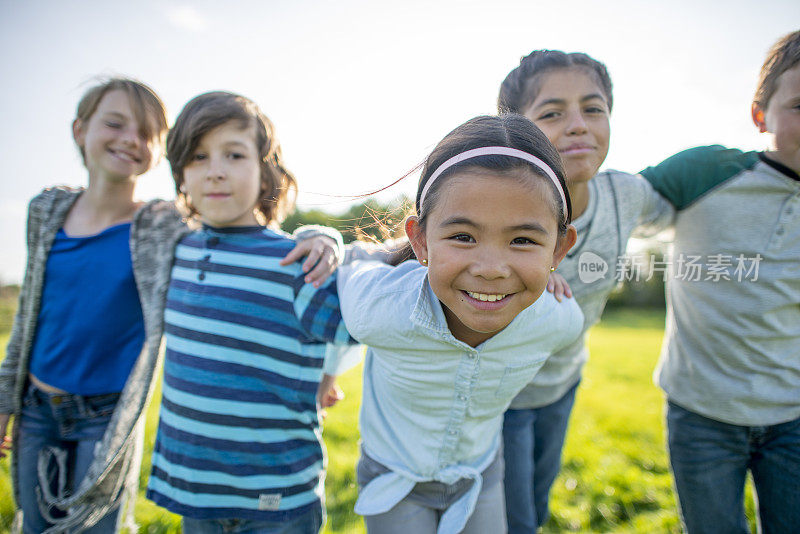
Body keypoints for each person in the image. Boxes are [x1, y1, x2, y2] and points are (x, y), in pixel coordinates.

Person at [0, 79, 341, 534]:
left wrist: (322, 234)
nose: (128, 139)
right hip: (37, 404)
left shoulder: (163, 228)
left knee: (91, 524)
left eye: (145, 132)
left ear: (160, 153)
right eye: (115, 123)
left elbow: (250, 236)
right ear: (80, 130)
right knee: (32, 523)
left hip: (107, 413)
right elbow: (27, 312)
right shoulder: (47, 209)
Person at [337, 114, 584, 534]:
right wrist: (319, 239)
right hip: (394, 476)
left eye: (523, 240)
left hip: (481, 474)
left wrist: (541, 272)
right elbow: (349, 264)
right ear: (420, 240)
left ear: (559, 248)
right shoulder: (380, 308)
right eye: (463, 237)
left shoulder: (558, 321)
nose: (491, 269)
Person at [144, 91, 355, 534]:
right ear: (180, 174)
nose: (215, 170)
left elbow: (357, 326)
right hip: (197, 492)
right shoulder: (173, 251)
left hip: (275, 496)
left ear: (265, 172)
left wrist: (330, 241)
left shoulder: (294, 261)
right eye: (198, 157)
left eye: (234, 154)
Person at [496, 50, 674, 531]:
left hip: (562, 383)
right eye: (552, 112)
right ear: (516, 128)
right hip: (494, 393)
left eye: (593, 109)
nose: (578, 125)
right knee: (513, 520)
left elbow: (685, 211)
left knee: (537, 495)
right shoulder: (493, 199)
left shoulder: (627, 193)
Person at [639, 30, 800, 533]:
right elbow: (622, 205)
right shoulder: (708, 172)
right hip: (700, 413)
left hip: (794, 417)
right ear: (761, 116)